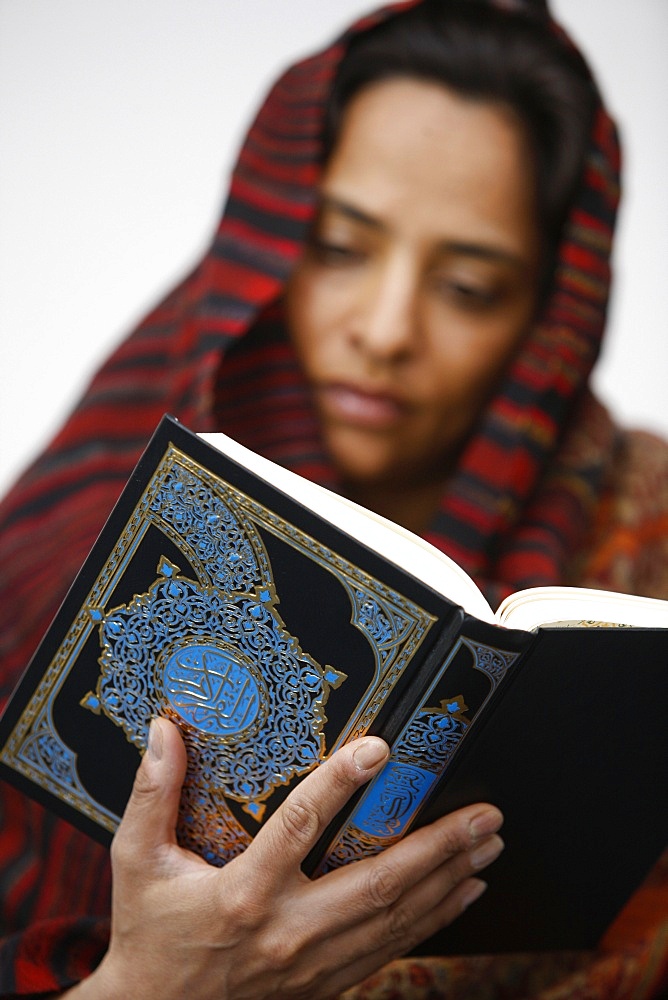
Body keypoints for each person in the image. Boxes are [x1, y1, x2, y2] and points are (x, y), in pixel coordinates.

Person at [0, 0, 666, 997]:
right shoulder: (98, 506)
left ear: (548, 316)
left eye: (468, 287)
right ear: (264, 249)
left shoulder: (636, 530)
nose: (386, 328)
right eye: (341, 247)